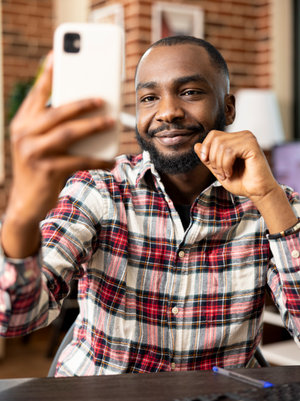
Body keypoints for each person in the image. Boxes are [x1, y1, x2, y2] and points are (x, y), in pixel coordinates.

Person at [0, 35, 299, 377]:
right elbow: (15, 316)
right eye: (149, 97)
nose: (168, 112)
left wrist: (267, 196)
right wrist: (21, 216)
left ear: (228, 108)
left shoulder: (275, 205)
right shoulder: (99, 187)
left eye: (190, 92)